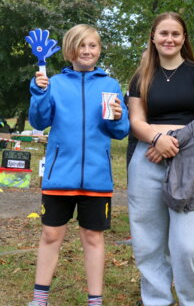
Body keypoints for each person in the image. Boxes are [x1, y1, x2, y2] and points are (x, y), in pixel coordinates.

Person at [27, 24, 129, 306]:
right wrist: (38, 92)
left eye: (92, 46)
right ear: (70, 50)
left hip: (97, 179)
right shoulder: (55, 83)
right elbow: (39, 121)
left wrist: (119, 117)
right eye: (81, 46)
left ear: (98, 50)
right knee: (50, 234)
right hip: (59, 176)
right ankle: (39, 299)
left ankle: (94, 301)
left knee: (93, 237)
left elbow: (120, 131)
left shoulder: (109, 85)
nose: (87, 51)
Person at [127, 12, 194, 306]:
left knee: (188, 245)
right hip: (147, 159)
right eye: (163, 33)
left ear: (184, 39)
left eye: (176, 34)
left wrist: (172, 141)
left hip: (190, 161)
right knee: (148, 242)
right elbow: (136, 121)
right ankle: (156, 300)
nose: (169, 39)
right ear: (153, 38)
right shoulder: (141, 77)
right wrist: (156, 140)